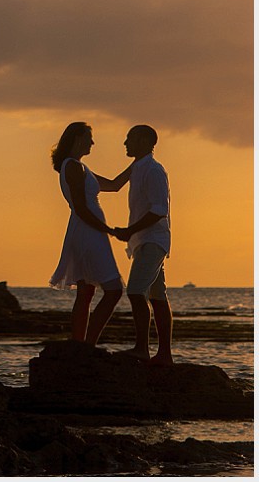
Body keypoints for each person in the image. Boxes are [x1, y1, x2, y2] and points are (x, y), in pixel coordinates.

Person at [49, 121, 132, 345]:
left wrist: (137, 164)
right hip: (87, 232)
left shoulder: (81, 168)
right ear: (77, 138)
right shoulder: (73, 167)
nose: (93, 142)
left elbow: (114, 185)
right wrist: (109, 231)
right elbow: (81, 208)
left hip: (87, 231)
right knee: (113, 290)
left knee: (86, 292)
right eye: (89, 137)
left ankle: (80, 344)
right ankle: (88, 344)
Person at [111, 124, 172, 365]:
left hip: (152, 240)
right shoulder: (137, 167)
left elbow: (159, 210)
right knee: (157, 297)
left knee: (136, 291)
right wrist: (77, 171)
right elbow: (115, 184)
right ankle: (164, 355)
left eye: (130, 139)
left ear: (145, 141)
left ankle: (142, 349)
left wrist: (129, 231)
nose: (125, 143)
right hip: (143, 242)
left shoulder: (154, 170)